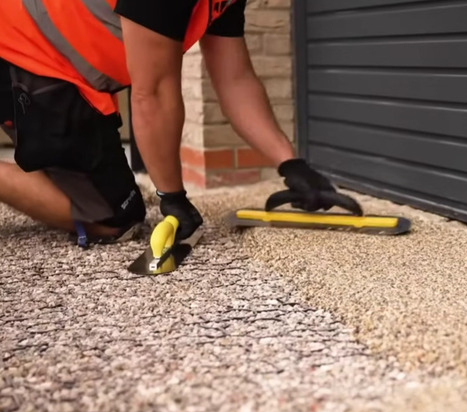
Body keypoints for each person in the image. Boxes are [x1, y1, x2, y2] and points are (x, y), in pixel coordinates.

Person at [0, 0, 337, 247]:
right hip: (19, 53)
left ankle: (57, 164)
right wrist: (172, 196)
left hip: (64, 69)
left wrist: (291, 163)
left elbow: (236, 80)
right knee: (112, 218)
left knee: (118, 200)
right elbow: (154, 94)